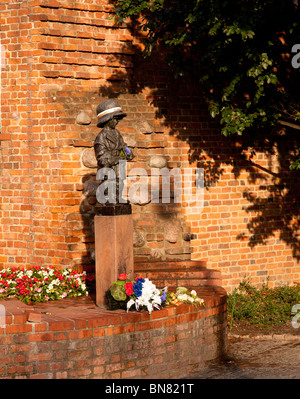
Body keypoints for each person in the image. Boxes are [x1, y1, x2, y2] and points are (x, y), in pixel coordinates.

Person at [94, 100, 134, 204]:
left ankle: (119, 199)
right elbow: (102, 157)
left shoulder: (117, 133)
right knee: (110, 185)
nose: (117, 122)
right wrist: (119, 157)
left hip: (118, 167)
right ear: (107, 119)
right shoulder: (101, 136)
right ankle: (110, 201)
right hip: (108, 169)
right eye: (116, 119)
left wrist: (128, 152)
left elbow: (123, 146)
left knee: (119, 184)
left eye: (119, 119)